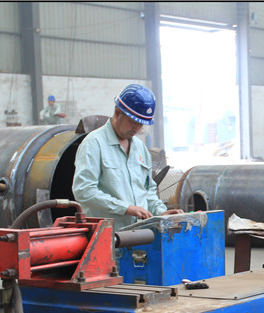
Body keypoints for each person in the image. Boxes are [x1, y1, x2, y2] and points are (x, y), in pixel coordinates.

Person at [72, 84, 182, 233]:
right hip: (109, 236)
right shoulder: (94, 144)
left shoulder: (140, 147)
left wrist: (161, 212)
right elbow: (84, 191)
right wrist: (126, 208)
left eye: (141, 124)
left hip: (141, 235)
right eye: (133, 122)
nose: (137, 129)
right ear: (117, 113)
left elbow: (148, 190)